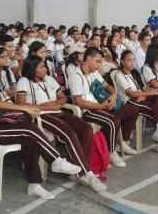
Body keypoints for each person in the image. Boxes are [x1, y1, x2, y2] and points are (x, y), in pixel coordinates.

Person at [0, 53, 83, 199]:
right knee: (29, 129)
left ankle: (34, 184)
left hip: (2, 123)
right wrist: (24, 108)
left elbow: (8, 103)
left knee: (29, 137)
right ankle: (56, 160)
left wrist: (28, 109)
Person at [15, 55, 106, 191]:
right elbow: (21, 104)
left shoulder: (49, 79)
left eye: (44, 66)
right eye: (41, 67)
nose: (45, 69)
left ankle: (79, 172)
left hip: (58, 112)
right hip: (41, 116)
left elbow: (63, 97)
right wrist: (45, 107)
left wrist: (57, 103)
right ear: (32, 69)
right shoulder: (24, 81)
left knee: (86, 129)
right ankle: (88, 174)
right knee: (69, 134)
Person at [66, 48, 142, 167]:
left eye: (100, 62)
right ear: (89, 59)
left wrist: (113, 95)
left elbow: (107, 86)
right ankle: (110, 152)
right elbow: (79, 102)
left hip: (103, 104)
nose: (99, 65)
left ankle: (123, 142)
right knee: (113, 121)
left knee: (132, 110)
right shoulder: (76, 76)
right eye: (97, 61)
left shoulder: (94, 72)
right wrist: (101, 106)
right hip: (88, 110)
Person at [111, 50, 158, 154]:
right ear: (122, 62)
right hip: (129, 102)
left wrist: (145, 95)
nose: (132, 63)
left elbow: (143, 89)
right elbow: (131, 94)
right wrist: (148, 94)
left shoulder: (135, 73)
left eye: (133, 60)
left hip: (140, 98)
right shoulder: (120, 75)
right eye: (129, 60)